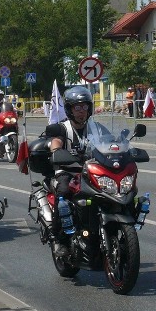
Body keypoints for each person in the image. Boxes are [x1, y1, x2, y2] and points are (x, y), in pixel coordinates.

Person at [46, 85, 96, 257]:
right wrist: (56, 151)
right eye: (77, 107)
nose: (82, 111)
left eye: (85, 106)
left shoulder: (95, 127)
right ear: (69, 109)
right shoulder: (63, 128)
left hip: (91, 172)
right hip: (67, 172)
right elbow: (56, 142)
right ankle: (59, 238)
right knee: (64, 192)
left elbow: (111, 141)